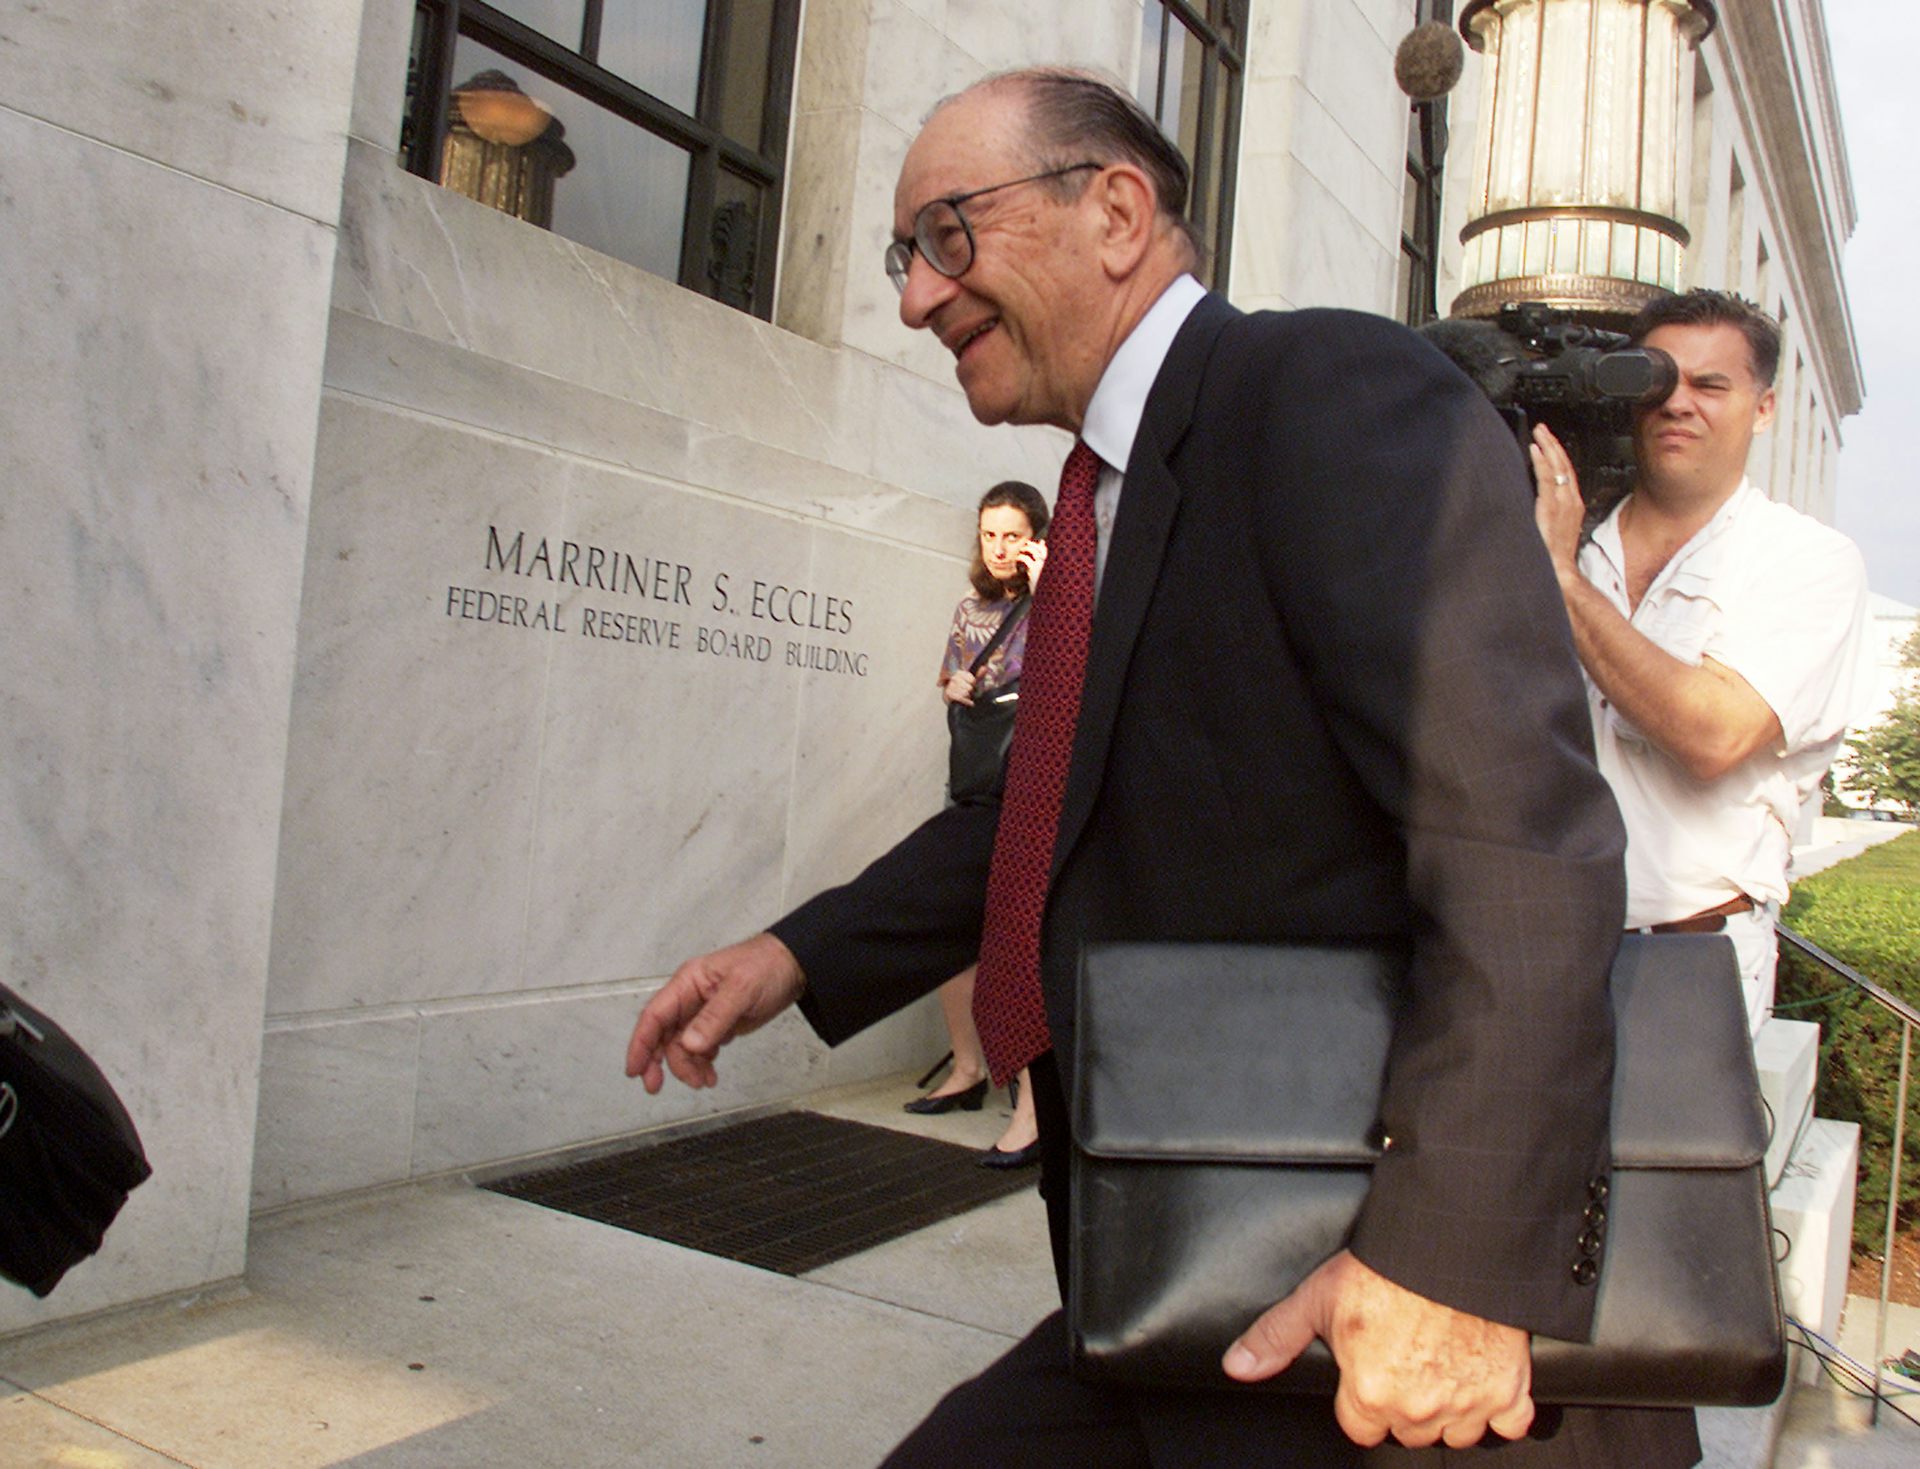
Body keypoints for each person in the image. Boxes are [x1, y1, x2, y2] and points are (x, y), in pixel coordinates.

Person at [628, 67, 1694, 1465]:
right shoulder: (1105, 490)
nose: (913, 300)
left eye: (948, 233)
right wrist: (799, 954)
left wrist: (1452, 1267)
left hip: (1381, 1313)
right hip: (1177, 1278)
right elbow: (1054, 802)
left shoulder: (1327, 390)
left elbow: (1522, 840)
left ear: (1117, 210)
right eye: (904, 255)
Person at [1531, 289, 1869, 1038]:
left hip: (1685, 964)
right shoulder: (1566, 533)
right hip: (1524, 952)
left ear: (1764, 406)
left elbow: (1710, 733)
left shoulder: (1805, 561)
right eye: (1657, 379)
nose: (1678, 402)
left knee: (1668, 1160)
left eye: (1711, 385)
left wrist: (1560, 581)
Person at [907, 481, 1048, 1170]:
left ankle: (1032, 1107)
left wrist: (1052, 585)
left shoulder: (1057, 601)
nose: (999, 547)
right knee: (950, 929)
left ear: (1036, 536)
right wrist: (955, 687)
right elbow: (952, 680)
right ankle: (966, 1069)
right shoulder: (971, 610)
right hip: (975, 783)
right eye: (989, 534)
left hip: (1033, 791)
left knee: (1023, 941)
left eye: (1012, 534)